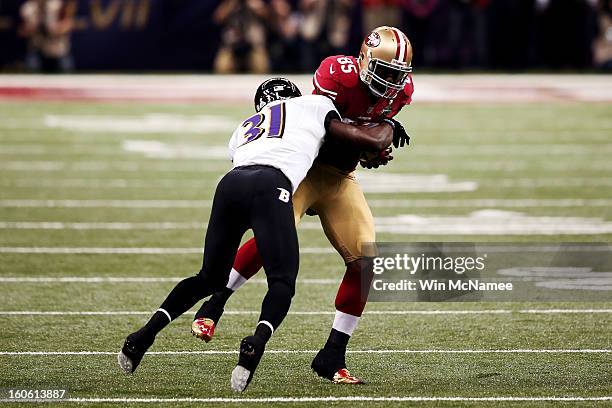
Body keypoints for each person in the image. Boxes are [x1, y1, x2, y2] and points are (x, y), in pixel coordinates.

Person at [118, 78, 394, 392]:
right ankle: (255, 343)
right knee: (282, 282)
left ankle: (144, 335)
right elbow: (351, 136)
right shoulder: (314, 104)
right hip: (276, 184)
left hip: (232, 183)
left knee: (207, 276)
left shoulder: (243, 128)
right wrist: (384, 130)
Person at [192, 26, 414, 384]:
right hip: (307, 170)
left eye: (397, 76)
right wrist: (374, 137)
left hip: (341, 179)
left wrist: (375, 144)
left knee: (365, 261)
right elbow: (325, 128)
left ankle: (332, 355)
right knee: (272, 240)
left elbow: (370, 132)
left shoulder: (400, 94)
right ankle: (214, 303)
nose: (390, 83)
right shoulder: (337, 74)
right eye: (384, 72)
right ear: (364, 60)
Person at [19, 0, 75, 73]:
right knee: (32, 76)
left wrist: (56, 30)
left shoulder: (58, 4)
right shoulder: (28, 8)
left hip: (58, 50)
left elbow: (68, 24)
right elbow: (21, 30)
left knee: (67, 78)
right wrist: (33, 29)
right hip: (37, 49)